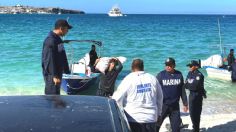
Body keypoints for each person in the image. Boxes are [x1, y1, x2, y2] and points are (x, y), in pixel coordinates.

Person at [112, 58, 163, 132]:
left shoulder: (129, 79)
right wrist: (159, 114)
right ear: (143, 67)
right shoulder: (152, 78)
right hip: (151, 118)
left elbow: (117, 98)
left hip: (133, 119)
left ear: (132, 68)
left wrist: (120, 114)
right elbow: (160, 97)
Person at [156, 57, 188, 132]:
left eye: (170, 65)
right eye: (166, 65)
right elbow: (155, 91)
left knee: (176, 129)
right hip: (163, 106)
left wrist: (185, 103)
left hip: (175, 106)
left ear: (174, 65)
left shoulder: (179, 75)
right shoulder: (160, 75)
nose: (168, 66)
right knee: (156, 126)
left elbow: (182, 90)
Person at [41, 19, 72, 95]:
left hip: (58, 73)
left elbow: (62, 54)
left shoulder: (58, 39)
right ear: (61, 28)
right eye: (67, 29)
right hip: (52, 75)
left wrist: (67, 70)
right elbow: (48, 60)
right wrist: (54, 76)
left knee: (57, 96)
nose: (67, 31)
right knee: (51, 97)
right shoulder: (50, 40)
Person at [185, 60, 207, 132]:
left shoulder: (199, 75)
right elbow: (186, 85)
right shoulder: (189, 73)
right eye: (189, 66)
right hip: (191, 95)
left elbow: (195, 86)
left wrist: (189, 84)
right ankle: (195, 127)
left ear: (195, 66)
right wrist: (190, 84)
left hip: (198, 95)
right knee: (191, 112)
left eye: (191, 66)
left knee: (197, 113)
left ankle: (196, 128)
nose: (189, 67)